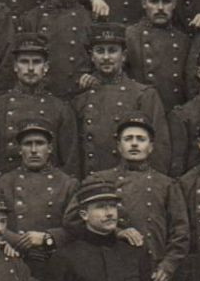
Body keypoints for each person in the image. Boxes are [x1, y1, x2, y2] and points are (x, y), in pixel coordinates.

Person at [76, 115, 190, 281]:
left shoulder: (167, 185)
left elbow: (180, 232)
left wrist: (167, 267)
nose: (134, 144)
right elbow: (72, 219)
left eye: (141, 139)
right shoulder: (99, 179)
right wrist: (117, 231)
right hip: (109, 271)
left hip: (154, 273)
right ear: (119, 146)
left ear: (151, 147)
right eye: (128, 139)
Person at [0, 32, 75, 179]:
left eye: (37, 62)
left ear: (45, 67)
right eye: (24, 62)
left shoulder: (61, 109)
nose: (31, 68)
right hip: (4, 191)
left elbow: (69, 163)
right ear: (15, 66)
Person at [73, 24, 170, 177]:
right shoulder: (81, 98)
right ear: (92, 57)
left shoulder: (143, 95)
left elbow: (159, 149)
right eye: (100, 51)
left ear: (123, 56)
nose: (106, 57)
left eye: (112, 51)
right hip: (93, 184)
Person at [0, 118, 79, 273]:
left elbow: (76, 227)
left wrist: (47, 238)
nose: (34, 150)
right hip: (11, 259)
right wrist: (13, 241)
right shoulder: (0, 183)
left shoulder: (68, 184)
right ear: (20, 149)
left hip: (55, 262)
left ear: (50, 148)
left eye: (40, 143)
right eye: (28, 144)